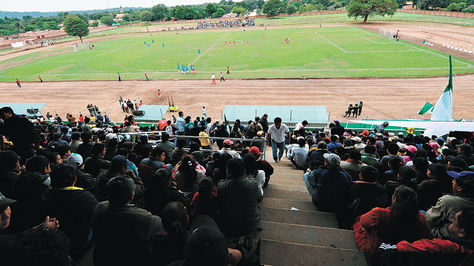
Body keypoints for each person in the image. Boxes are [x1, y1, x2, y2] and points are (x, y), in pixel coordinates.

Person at [91, 175, 163, 266]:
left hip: (102, 258)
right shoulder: (147, 219)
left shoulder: (99, 207)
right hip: (130, 260)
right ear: (132, 196)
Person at [353, 185, 431, 265]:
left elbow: (363, 222)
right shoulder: (421, 218)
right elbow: (425, 236)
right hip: (408, 257)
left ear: (394, 199)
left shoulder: (379, 214)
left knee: (359, 224)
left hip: (382, 255)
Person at [45, 164, 98, 259]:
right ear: (74, 180)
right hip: (78, 245)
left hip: (51, 243)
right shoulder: (85, 198)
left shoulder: (45, 195)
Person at [425, 171, 474, 238]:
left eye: (454, 181)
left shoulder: (447, 201)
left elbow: (430, 219)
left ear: (459, 188)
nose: (452, 182)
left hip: (447, 236)